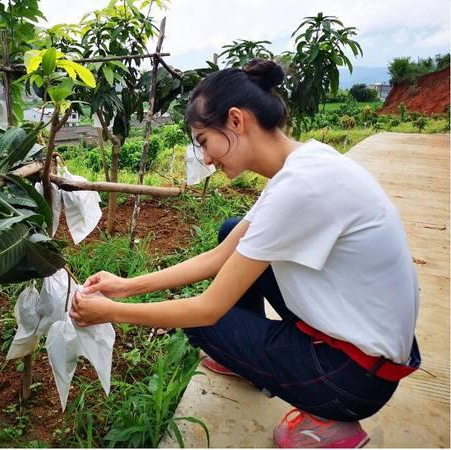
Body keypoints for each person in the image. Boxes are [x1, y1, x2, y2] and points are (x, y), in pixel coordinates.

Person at [69, 59, 421, 448]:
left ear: (236, 121)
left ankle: (330, 420)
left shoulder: (300, 188)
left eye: (204, 141)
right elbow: (220, 256)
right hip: (367, 345)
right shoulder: (305, 163)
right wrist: (125, 286)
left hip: (354, 379)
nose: (205, 159)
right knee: (230, 230)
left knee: (204, 322)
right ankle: (252, 364)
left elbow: (207, 309)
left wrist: (109, 312)